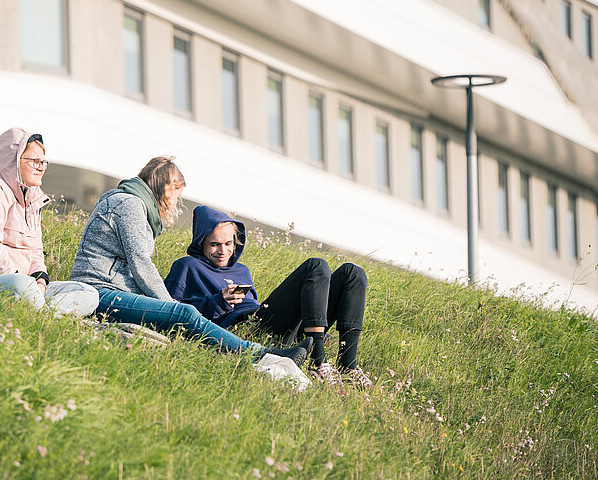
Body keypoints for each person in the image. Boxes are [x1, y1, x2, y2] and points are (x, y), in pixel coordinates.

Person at [68, 156, 308, 366]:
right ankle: (262, 355)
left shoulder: (129, 202)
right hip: (101, 292)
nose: (175, 203)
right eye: (176, 195)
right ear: (166, 187)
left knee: (181, 315)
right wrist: (170, 306)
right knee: (184, 314)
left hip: (111, 290)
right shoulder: (130, 204)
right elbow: (140, 263)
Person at [164, 206, 371, 391]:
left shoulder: (241, 270)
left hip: (268, 319)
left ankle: (348, 366)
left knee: (353, 273)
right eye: (214, 244)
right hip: (247, 328)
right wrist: (219, 301)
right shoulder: (187, 266)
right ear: (201, 243)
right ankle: (318, 362)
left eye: (228, 243)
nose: (223, 251)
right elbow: (173, 313)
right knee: (315, 266)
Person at [0, 128, 98, 316]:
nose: (41, 167)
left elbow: (36, 252)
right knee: (23, 285)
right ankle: (45, 315)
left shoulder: (33, 200)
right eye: (34, 161)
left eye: (43, 162)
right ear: (13, 160)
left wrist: (41, 283)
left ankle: (43, 314)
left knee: (88, 292)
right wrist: (26, 283)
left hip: (27, 288)